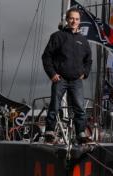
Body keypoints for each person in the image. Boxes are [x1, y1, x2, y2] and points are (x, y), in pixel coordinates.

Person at [42, 7, 92, 144]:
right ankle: (49, 132)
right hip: (60, 79)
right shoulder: (57, 36)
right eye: (71, 18)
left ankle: (81, 134)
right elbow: (46, 56)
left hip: (76, 80)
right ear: (67, 19)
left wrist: (85, 73)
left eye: (76, 19)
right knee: (54, 106)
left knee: (80, 108)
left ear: (79, 21)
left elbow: (89, 60)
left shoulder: (83, 40)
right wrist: (52, 74)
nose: (74, 21)